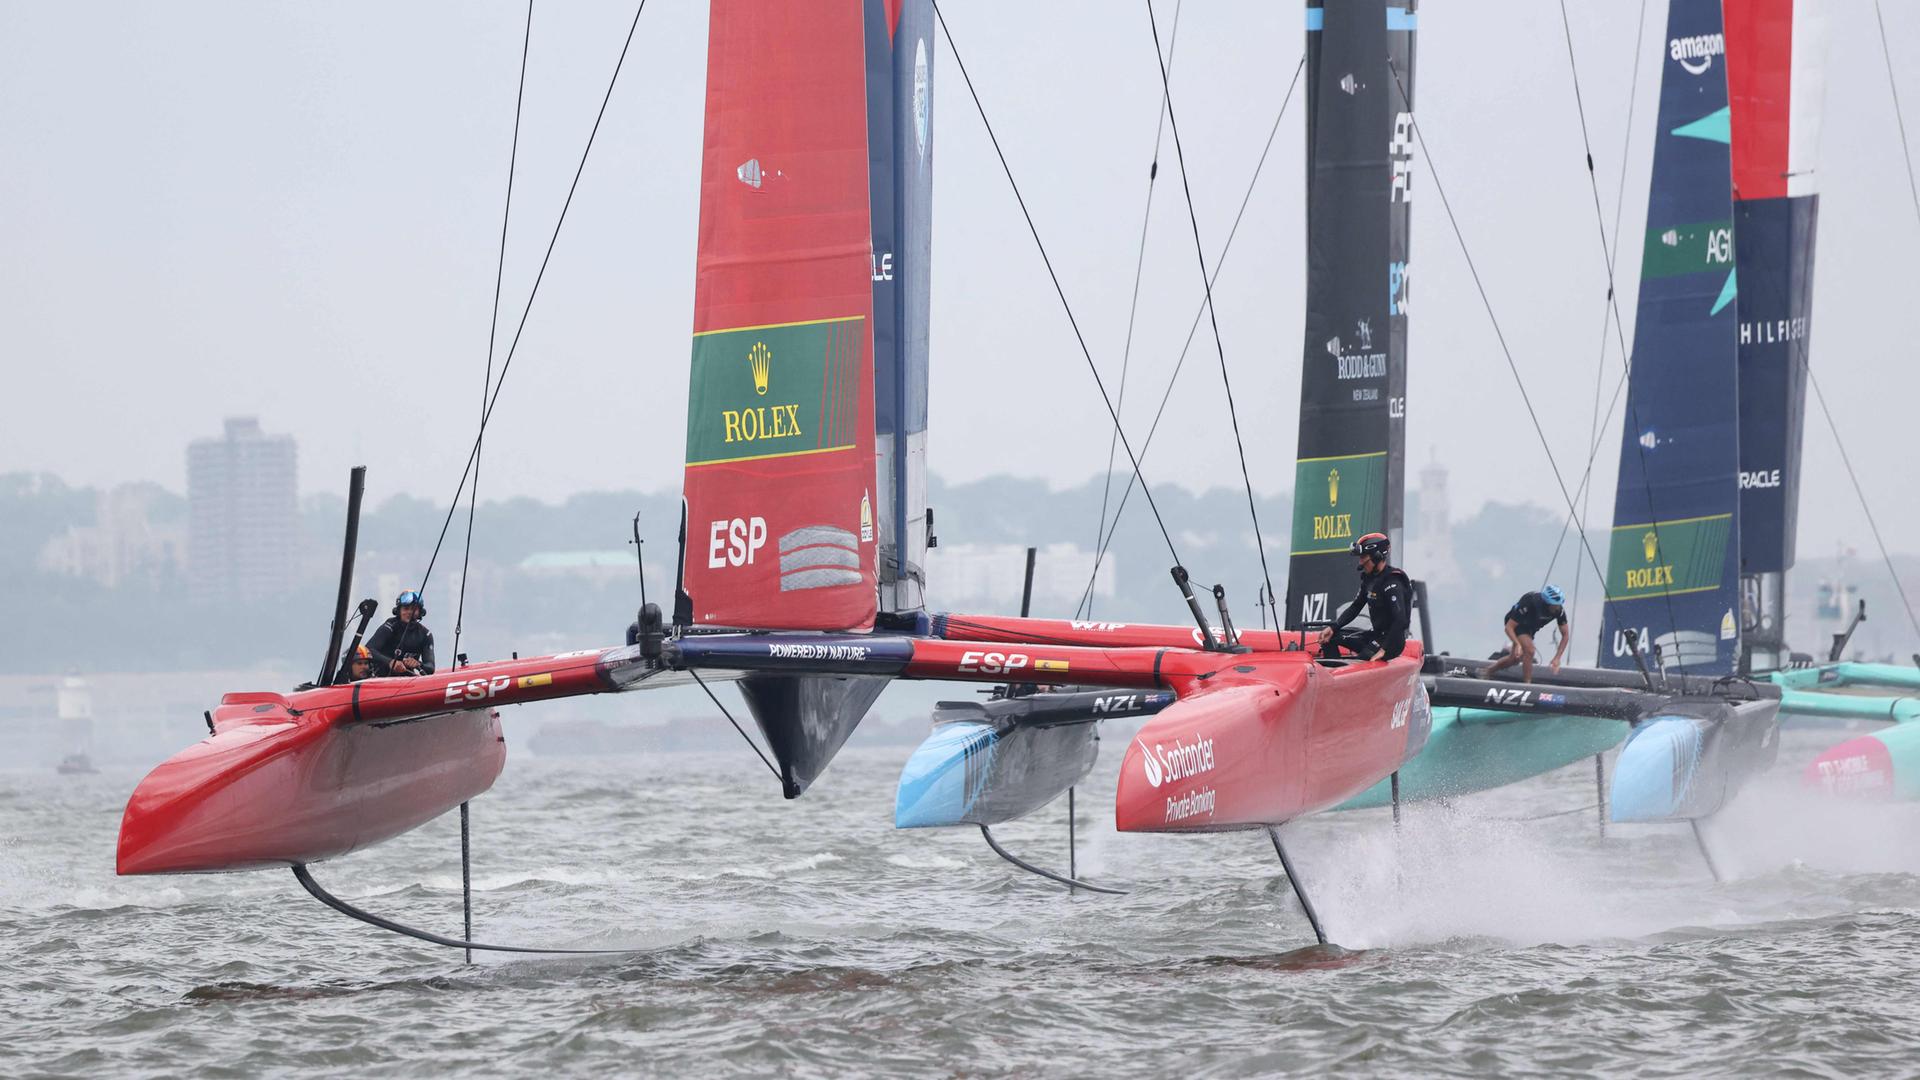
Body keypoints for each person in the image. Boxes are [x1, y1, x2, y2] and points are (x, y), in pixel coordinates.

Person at [1316, 532, 1412, 661]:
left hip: (1391, 642)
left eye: (1363, 557)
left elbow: (1400, 620)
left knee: (1362, 660)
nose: (1360, 562)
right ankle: (1333, 676)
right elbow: (1356, 607)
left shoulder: (1392, 581)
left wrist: (1384, 650)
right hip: (1375, 636)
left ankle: (1347, 676)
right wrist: (1333, 627)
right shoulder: (1369, 579)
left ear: (1377, 556)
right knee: (1330, 638)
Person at [1485, 584, 1569, 683]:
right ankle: (1527, 684)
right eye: (1554, 605)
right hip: (1517, 624)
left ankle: (1487, 671)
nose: (1557, 608)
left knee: (1514, 659)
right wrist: (1517, 644)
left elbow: (1565, 635)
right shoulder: (1531, 601)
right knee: (1530, 650)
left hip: (1530, 629)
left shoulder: (1559, 611)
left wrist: (1557, 658)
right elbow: (1509, 627)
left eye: (1559, 605)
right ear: (1547, 602)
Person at [366, 591, 436, 676]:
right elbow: (368, 650)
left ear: (420, 612)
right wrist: (390, 662)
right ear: (398, 611)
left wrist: (418, 664)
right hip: (380, 678)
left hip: (406, 682)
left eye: (414, 609)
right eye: (406, 608)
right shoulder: (390, 626)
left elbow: (430, 667)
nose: (409, 612)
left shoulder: (425, 634)